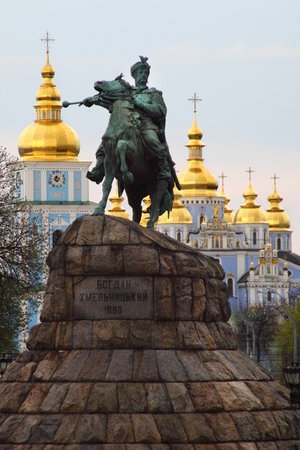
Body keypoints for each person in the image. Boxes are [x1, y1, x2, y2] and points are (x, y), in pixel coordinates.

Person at [86, 56, 174, 186]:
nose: (143, 75)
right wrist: (94, 101)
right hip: (126, 123)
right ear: (135, 75)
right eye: (140, 73)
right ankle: (98, 170)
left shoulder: (153, 93)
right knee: (105, 143)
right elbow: (112, 104)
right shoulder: (127, 92)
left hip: (145, 125)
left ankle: (164, 170)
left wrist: (139, 103)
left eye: (145, 73)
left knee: (152, 140)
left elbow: (160, 111)